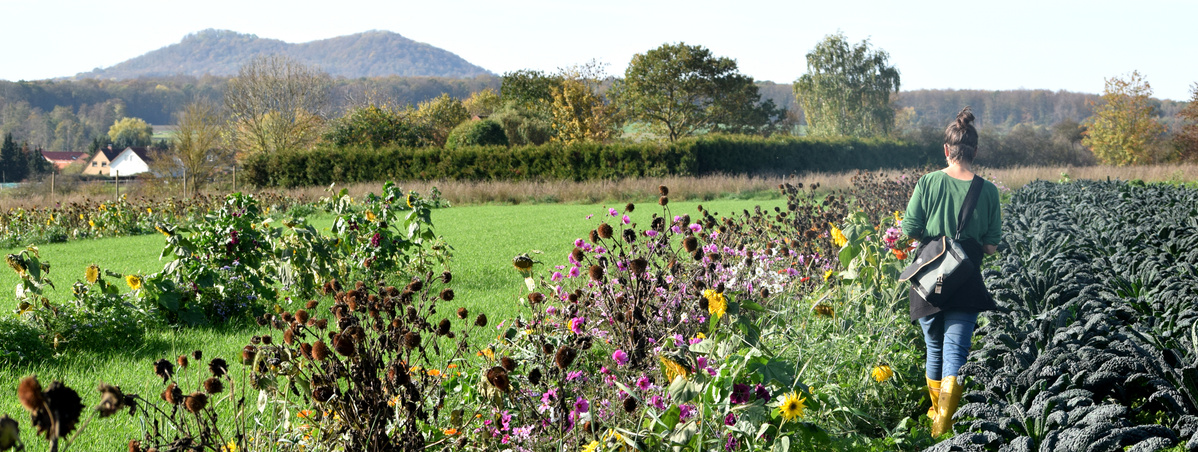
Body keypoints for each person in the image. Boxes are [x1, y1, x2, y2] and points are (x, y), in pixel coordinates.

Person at [901, 107, 1002, 437]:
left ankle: (936, 417)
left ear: (946, 150)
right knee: (956, 351)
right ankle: (945, 423)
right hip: (966, 278)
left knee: (934, 348)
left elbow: (911, 228)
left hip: (928, 276)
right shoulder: (988, 191)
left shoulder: (927, 182)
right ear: (975, 152)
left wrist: (937, 240)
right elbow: (990, 247)